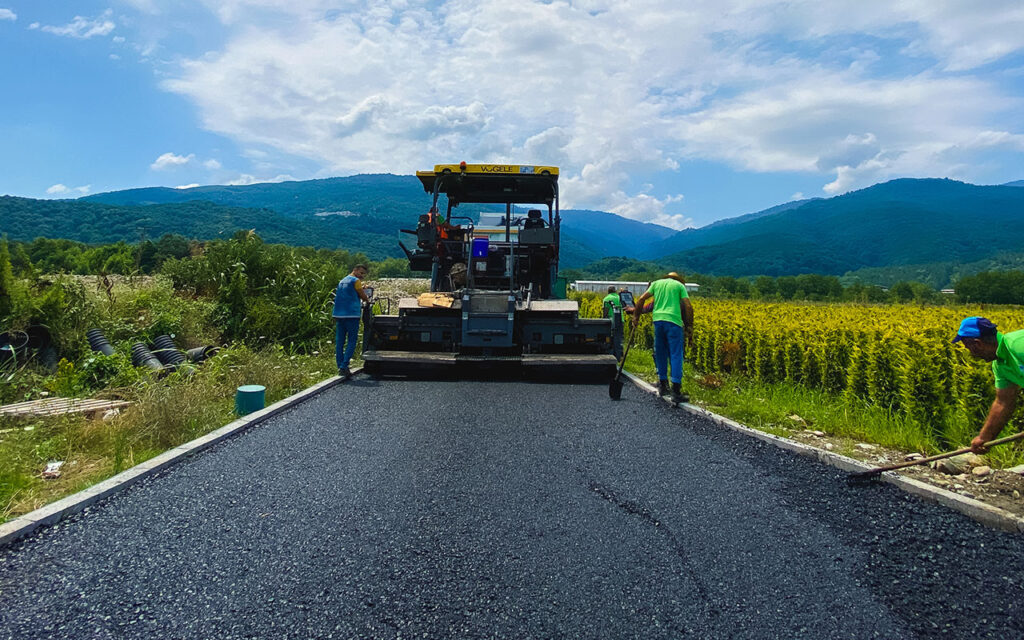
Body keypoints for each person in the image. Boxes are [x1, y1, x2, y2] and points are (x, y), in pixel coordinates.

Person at [953, 317, 1024, 453]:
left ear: (977, 344)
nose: (972, 354)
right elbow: (1003, 402)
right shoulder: (1000, 365)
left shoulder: (1018, 345)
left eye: (968, 348)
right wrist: (984, 438)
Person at [634, 272, 694, 403]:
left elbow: (641, 300)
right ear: (678, 280)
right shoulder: (679, 286)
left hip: (658, 321)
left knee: (660, 353)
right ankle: (676, 391)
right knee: (676, 354)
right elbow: (688, 306)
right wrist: (689, 327)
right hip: (674, 322)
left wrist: (636, 317)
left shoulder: (656, 284)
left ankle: (663, 385)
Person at [332, 264, 370, 377]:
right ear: (355, 270)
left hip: (339, 314)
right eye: (361, 273)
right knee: (352, 341)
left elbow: (347, 293)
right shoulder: (355, 281)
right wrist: (367, 299)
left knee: (340, 341)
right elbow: (362, 296)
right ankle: (344, 366)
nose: (362, 276)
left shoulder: (342, 281)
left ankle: (339, 365)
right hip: (351, 314)